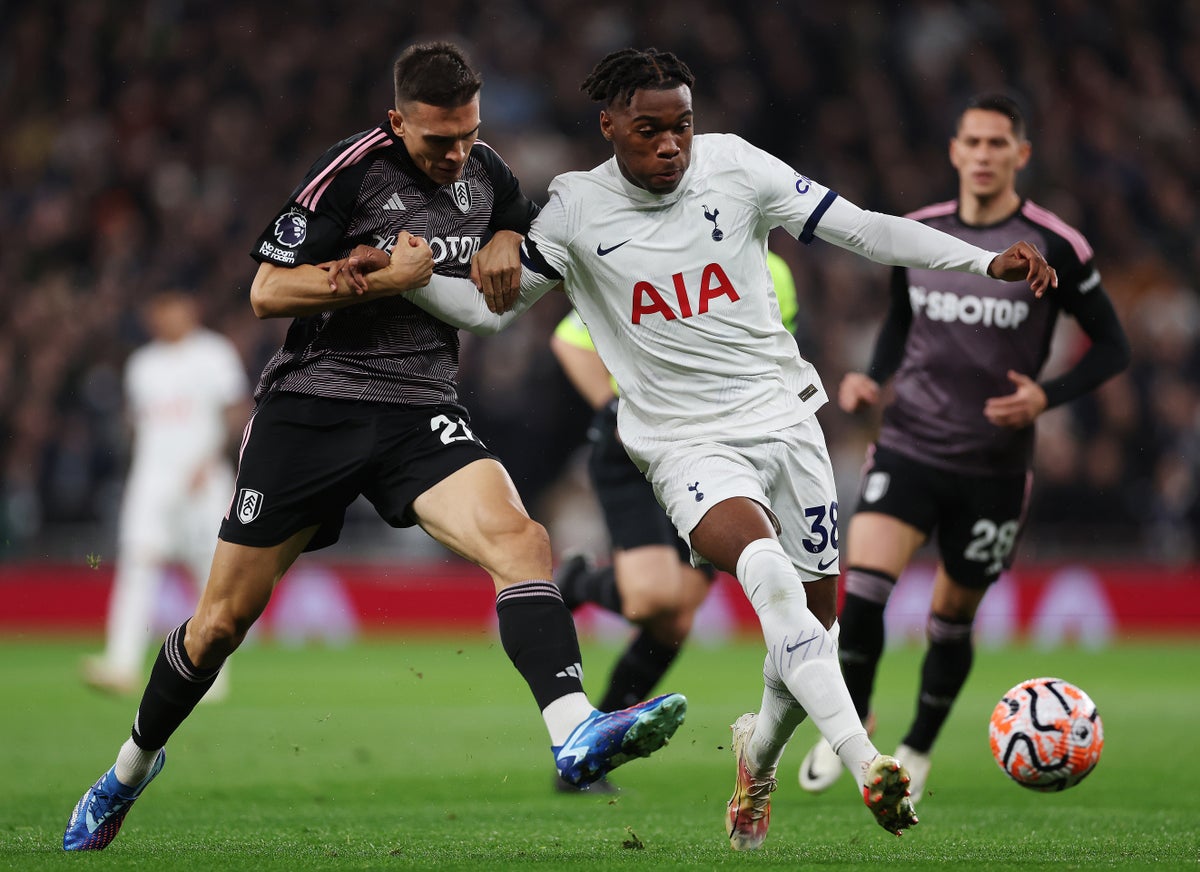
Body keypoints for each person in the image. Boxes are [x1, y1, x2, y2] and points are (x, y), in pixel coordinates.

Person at [345, 48, 1058, 849]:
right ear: (609, 125)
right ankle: (868, 764)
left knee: (810, 633)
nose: (670, 145)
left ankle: (757, 756)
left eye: (681, 125)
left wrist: (981, 259)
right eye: (648, 130)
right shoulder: (575, 210)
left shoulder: (735, 166)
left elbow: (865, 229)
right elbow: (489, 313)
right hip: (683, 444)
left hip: (787, 424)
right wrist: (403, 279)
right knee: (765, 573)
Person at [63, 42, 686, 853]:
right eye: (437, 141)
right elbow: (264, 291)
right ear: (397, 123)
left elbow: (513, 243)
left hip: (418, 411)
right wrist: (381, 280)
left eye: (467, 134)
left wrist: (507, 237)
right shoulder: (352, 171)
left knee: (522, 540)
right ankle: (127, 772)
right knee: (219, 624)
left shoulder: (489, 173)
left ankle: (573, 730)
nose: (455, 153)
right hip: (311, 410)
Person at [797, 93, 1131, 803]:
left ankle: (916, 749)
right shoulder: (918, 232)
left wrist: (1047, 396)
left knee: (950, 623)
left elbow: (1114, 347)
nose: (982, 155)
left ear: (1021, 155)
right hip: (909, 443)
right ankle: (852, 731)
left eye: (996, 144)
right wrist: (871, 377)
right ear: (954, 151)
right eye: (971, 143)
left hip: (993, 466)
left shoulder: (1056, 246)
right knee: (860, 598)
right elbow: (899, 319)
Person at [548, 250, 799, 794]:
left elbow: (774, 363)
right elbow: (570, 338)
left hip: (718, 455)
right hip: (638, 450)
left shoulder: (775, 273)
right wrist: (614, 411)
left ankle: (586, 761)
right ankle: (578, 582)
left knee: (675, 621)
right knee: (650, 601)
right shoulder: (662, 261)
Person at [82, 290, 248, 701]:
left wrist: (210, 458)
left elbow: (236, 413)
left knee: (209, 578)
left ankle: (211, 676)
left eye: (169, 307)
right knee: (137, 565)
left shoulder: (214, 353)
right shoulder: (142, 365)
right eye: (154, 310)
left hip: (202, 480)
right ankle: (120, 664)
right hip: (152, 482)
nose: (161, 317)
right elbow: (138, 426)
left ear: (188, 307)